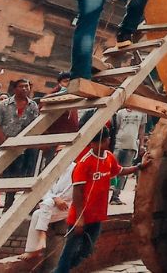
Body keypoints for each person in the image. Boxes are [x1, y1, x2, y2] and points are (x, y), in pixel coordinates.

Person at [54, 126, 150, 273]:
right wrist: (79, 218)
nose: (100, 145)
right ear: (91, 144)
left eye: (103, 142)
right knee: (68, 251)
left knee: (87, 250)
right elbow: (78, 192)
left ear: (108, 141)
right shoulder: (84, 163)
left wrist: (138, 167)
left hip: (97, 215)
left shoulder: (109, 157)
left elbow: (119, 171)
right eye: (96, 143)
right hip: (81, 216)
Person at [0, 78, 40, 213]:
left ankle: (8, 205)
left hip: (19, 148)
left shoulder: (33, 106)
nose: (24, 89)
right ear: (15, 88)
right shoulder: (3, 104)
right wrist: (4, 142)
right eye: (21, 86)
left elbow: (35, 125)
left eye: (27, 86)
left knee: (13, 176)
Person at [22, 158, 74, 260]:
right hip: (50, 205)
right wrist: (54, 198)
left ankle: (42, 236)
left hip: (67, 205)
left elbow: (70, 193)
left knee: (46, 204)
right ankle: (33, 250)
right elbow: (44, 189)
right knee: (37, 213)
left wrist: (55, 199)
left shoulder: (75, 169)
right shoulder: (52, 168)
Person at [110, 107, 147, 205]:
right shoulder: (120, 113)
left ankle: (115, 196)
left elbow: (141, 130)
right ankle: (107, 193)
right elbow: (117, 128)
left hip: (131, 145)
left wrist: (141, 145)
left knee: (124, 172)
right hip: (119, 144)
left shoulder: (142, 113)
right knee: (112, 170)